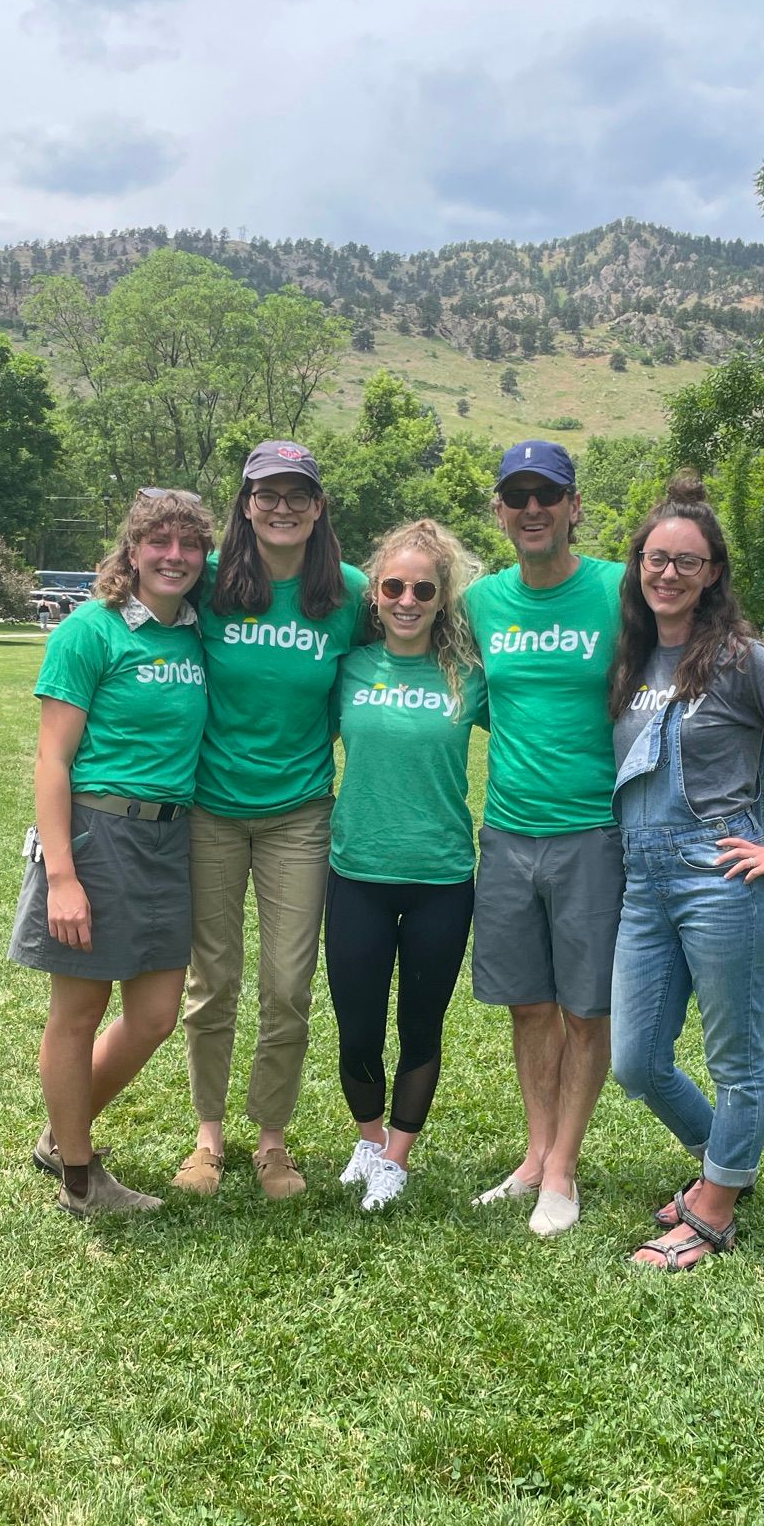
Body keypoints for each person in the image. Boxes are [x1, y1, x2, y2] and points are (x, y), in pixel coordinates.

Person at [462, 440, 764, 1238]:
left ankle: (565, 1171)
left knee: (591, 1014)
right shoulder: (482, 602)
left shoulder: (616, 590)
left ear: (573, 506)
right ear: (500, 510)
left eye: (546, 494)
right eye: (516, 496)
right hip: (512, 832)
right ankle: (535, 1157)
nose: (531, 509)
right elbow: (472, 688)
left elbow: (700, 621)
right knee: (533, 1008)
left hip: (601, 833)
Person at [607, 476, 764, 1270]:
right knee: (636, 1058)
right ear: (639, 566)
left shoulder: (748, 662)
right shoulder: (635, 658)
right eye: (657, 559)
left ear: (713, 572)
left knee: (736, 1058)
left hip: (720, 877)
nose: (669, 574)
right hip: (642, 879)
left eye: (688, 561)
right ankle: (725, 1161)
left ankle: (714, 1211)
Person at [9, 488, 213, 1217]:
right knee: (79, 1010)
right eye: (159, 541)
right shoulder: (90, 633)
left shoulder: (197, 632)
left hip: (170, 837)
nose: (175, 556)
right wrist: (62, 875)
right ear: (132, 550)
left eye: (189, 544)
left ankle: (60, 1136)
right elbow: (51, 760)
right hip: (99, 834)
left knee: (157, 1013)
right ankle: (79, 1177)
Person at [174, 441, 369, 1201]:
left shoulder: (349, 593)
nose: (281, 507)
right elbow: (137, 607)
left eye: (297, 494)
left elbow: (416, 645)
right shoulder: (212, 578)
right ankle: (207, 1140)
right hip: (210, 809)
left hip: (300, 813)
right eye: (266, 494)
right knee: (211, 981)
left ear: (318, 507)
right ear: (245, 504)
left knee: (287, 985)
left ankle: (273, 1141)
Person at [324, 519, 487, 1212]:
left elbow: (551, 715)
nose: (407, 599)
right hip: (356, 871)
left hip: (441, 879)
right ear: (376, 594)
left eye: (424, 588)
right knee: (356, 1025)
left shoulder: (471, 677)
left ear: (442, 597)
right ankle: (368, 1140)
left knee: (421, 1027)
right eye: (393, 585)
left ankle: (398, 1156)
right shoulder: (348, 668)